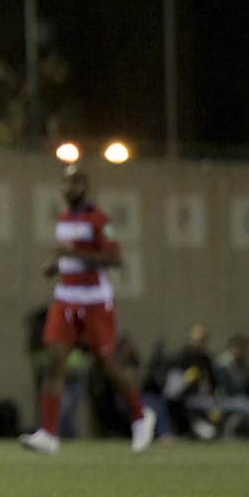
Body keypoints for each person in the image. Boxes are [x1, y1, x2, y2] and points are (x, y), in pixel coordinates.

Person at [20, 164, 155, 454]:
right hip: (66, 296)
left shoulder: (98, 219)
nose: (71, 188)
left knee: (106, 364)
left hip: (94, 300)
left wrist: (73, 255)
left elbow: (115, 258)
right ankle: (49, 434)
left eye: (77, 183)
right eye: (67, 183)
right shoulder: (64, 218)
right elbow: (70, 257)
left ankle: (141, 416)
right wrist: (56, 266)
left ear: (86, 186)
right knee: (54, 361)